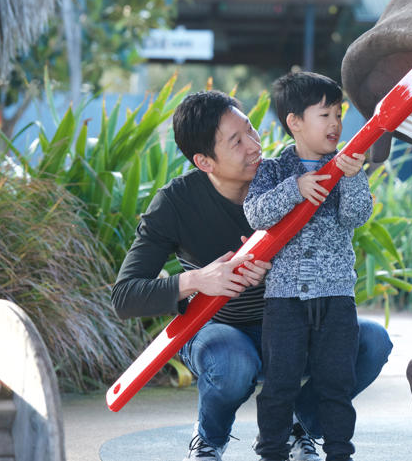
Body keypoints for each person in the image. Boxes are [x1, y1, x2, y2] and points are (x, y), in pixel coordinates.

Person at [110, 90, 393, 461]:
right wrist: (199, 280)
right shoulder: (176, 202)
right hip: (221, 331)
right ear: (204, 161)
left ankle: (299, 425)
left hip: (292, 325)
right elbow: (125, 296)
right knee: (232, 362)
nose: (254, 146)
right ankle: (209, 439)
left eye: (251, 131)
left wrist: (282, 270)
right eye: (236, 141)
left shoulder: (287, 178)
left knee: (371, 342)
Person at [243, 72, 370, 461]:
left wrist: (352, 178)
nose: (335, 123)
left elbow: (356, 216)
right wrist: (294, 189)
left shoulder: (346, 167)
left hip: (336, 297)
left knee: (336, 383)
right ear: (294, 122)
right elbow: (256, 214)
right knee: (279, 383)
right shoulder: (273, 170)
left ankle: (339, 453)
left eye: (338, 114)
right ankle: (272, 451)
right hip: (285, 300)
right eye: (324, 114)